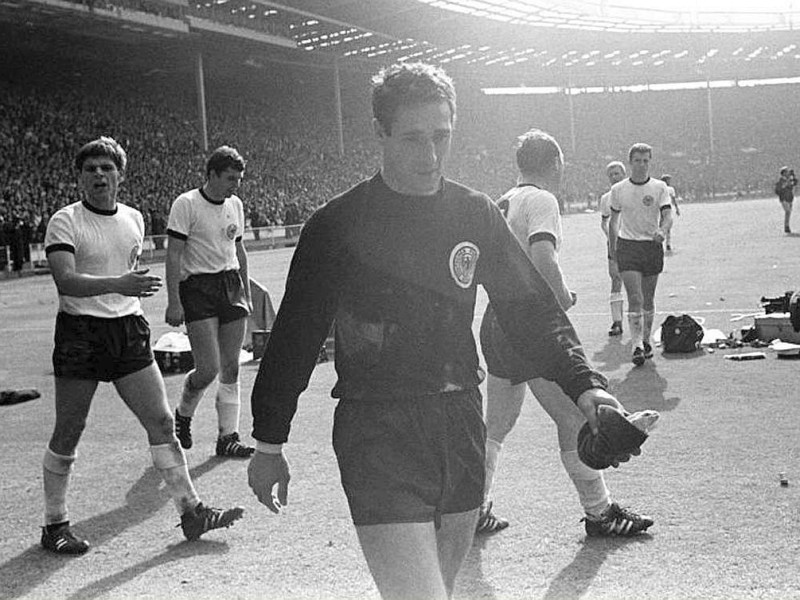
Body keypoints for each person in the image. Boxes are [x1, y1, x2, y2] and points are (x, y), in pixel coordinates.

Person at [247, 62, 635, 600]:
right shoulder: (337, 226)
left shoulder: (473, 213)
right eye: (412, 138)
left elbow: (531, 310)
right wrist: (269, 441)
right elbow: (295, 336)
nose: (429, 156)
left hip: (458, 425)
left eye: (441, 137)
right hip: (377, 429)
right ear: (380, 132)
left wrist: (586, 384)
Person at [41, 137, 243, 555]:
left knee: (163, 422)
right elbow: (66, 279)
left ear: (120, 175)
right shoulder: (65, 220)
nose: (99, 174)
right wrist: (121, 283)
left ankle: (192, 510)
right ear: (79, 177)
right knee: (70, 429)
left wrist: (127, 289)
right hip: (82, 332)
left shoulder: (133, 218)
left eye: (107, 168)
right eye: (91, 168)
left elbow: (127, 272)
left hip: (128, 330)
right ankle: (54, 523)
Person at [477, 131, 652, 537]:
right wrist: (560, 297)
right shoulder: (542, 200)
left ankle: (474, 509)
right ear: (555, 163)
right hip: (529, 322)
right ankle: (600, 512)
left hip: (496, 320)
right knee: (574, 415)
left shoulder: (504, 199)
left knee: (496, 426)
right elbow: (542, 254)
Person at [165, 145, 254, 459]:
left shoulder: (236, 205)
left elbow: (238, 250)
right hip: (198, 287)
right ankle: (184, 413)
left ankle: (227, 437)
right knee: (208, 369)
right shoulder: (187, 204)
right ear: (212, 174)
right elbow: (174, 254)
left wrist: (246, 291)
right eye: (230, 178)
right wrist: (173, 301)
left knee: (231, 367)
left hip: (230, 285)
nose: (236, 185)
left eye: (239, 179)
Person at [608, 143, 673, 367]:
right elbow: (613, 221)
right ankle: (636, 346)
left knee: (648, 298)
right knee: (635, 298)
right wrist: (612, 252)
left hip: (651, 246)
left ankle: (646, 340)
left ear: (650, 162)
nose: (642, 165)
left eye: (646, 161)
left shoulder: (659, 187)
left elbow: (667, 214)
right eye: (638, 160)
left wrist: (662, 231)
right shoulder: (618, 190)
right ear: (630, 162)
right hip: (628, 247)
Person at [599, 161, 628, 337]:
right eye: (611, 174)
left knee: (637, 283)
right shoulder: (605, 199)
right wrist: (610, 237)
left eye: (617, 173)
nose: (614, 177)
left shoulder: (632, 193)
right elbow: (604, 221)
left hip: (634, 242)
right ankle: (617, 322)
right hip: (614, 245)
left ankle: (637, 323)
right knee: (616, 280)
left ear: (624, 174)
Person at [660, 174, 680, 250]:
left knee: (661, 226)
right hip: (666, 209)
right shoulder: (670, 189)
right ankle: (667, 244)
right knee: (667, 227)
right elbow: (674, 200)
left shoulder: (660, 188)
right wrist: (677, 209)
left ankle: (663, 243)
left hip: (661, 209)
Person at [774, 167, 797, 234]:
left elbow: (795, 183)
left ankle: (787, 226)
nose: (788, 173)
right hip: (784, 198)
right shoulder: (780, 181)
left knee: (788, 213)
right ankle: (786, 226)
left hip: (789, 198)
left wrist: (793, 177)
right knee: (788, 211)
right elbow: (777, 190)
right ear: (783, 173)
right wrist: (784, 187)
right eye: (786, 172)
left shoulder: (790, 179)